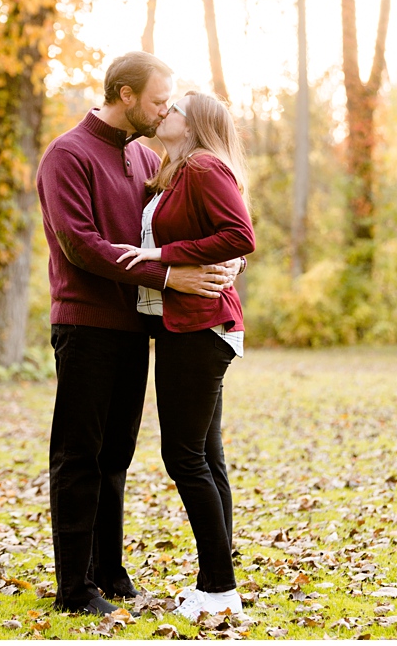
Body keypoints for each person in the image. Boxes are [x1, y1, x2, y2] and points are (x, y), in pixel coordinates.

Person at [36, 52, 237, 615]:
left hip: (137, 328)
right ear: (124, 95)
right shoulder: (67, 155)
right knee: (80, 455)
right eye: (155, 100)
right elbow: (83, 245)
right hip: (85, 325)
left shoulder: (146, 156)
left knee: (117, 455)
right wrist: (170, 273)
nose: (164, 109)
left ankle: (110, 572)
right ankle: (75, 589)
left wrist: (226, 267)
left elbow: (200, 223)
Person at [114, 92, 254, 620]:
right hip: (190, 326)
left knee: (185, 457)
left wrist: (162, 255)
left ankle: (219, 588)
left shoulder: (201, 165)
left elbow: (239, 235)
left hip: (198, 327)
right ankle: (219, 584)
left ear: (192, 124)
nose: (165, 112)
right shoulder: (178, 170)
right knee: (206, 458)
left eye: (174, 109)